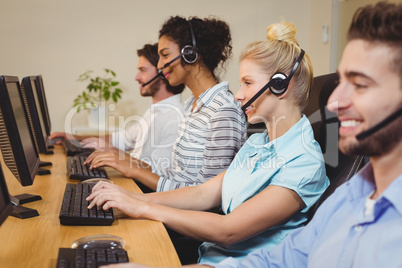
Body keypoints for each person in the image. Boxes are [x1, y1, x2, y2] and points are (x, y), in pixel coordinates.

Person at [88, 20, 329, 265]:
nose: (238, 94)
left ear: (280, 85)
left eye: (247, 83)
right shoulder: (257, 144)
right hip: (211, 255)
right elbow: (203, 193)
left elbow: (228, 230)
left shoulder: (303, 162)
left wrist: (143, 207)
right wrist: (130, 199)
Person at [193, 1, 400, 267]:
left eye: (359, 84)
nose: (335, 101)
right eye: (342, 82)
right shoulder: (348, 196)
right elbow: (276, 261)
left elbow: (230, 231)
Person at [85, 16, 247, 192]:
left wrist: (135, 174)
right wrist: (127, 162)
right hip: (176, 204)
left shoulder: (223, 110)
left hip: (189, 214)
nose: (160, 65)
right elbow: (176, 175)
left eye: (165, 55)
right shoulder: (191, 105)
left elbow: (206, 196)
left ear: (190, 54)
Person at [50, 43, 185, 173]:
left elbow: (159, 172)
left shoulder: (174, 118)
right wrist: (74, 137)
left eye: (143, 70)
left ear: (162, 73)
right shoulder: (155, 110)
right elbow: (122, 139)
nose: (136, 77)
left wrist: (115, 154)